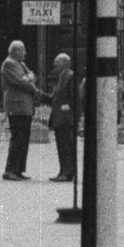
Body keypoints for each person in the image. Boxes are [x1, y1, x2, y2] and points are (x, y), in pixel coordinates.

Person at [1, 40, 43, 180]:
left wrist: (28, 78)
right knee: (18, 138)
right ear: (16, 51)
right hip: (17, 106)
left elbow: (32, 76)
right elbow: (21, 82)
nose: (25, 52)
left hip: (25, 107)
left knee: (23, 139)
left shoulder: (20, 64)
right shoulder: (9, 63)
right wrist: (31, 83)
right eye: (23, 50)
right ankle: (10, 170)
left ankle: (18, 169)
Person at [47, 53, 76, 182]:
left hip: (65, 119)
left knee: (66, 147)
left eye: (56, 63)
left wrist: (69, 111)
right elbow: (56, 98)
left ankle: (67, 172)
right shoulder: (61, 77)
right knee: (61, 146)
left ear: (64, 64)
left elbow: (74, 99)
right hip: (60, 118)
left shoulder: (69, 76)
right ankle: (63, 171)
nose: (54, 65)